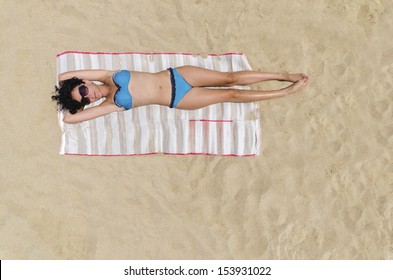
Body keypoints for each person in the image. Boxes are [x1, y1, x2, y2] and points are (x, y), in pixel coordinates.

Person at [52, 66, 309, 124]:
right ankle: (284, 92)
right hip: (180, 100)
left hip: (178, 77)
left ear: (85, 81)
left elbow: (64, 76)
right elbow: (69, 120)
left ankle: (284, 75)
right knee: (230, 94)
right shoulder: (111, 104)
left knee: (230, 78)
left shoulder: (108, 76)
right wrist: (75, 105)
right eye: (85, 101)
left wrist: (65, 85)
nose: (89, 95)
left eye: (83, 90)